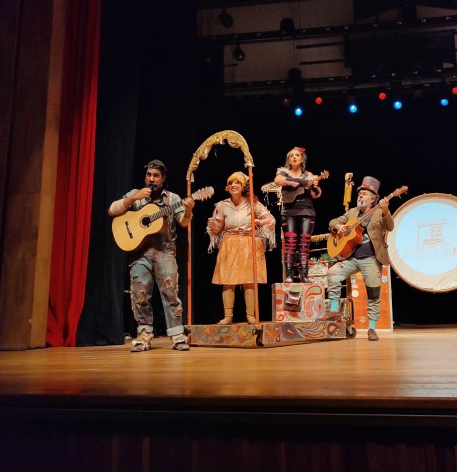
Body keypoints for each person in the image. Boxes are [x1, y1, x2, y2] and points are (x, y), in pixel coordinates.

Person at [108, 160, 194, 352]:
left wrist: (188, 208)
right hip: (140, 254)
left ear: (163, 179)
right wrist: (132, 199)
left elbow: (183, 222)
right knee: (140, 294)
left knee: (170, 293)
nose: (151, 179)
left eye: (156, 176)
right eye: (149, 175)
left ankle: (177, 335)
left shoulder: (172, 199)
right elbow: (112, 210)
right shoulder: (136, 195)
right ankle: (144, 334)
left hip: (165, 252)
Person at [323, 176, 393, 341]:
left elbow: (390, 226)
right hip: (352, 257)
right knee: (333, 273)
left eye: (365, 194)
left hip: (371, 258)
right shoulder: (352, 212)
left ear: (374, 198)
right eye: (360, 193)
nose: (361, 196)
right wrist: (337, 226)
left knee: (373, 293)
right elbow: (332, 221)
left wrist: (385, 211)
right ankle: (334, 311)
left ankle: (372, 328)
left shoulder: (378, 212)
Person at [207, 171, 276, 325]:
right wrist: (213, 226)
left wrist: (260, 221)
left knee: (249, 281)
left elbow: (270, 218)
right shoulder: (222, 205)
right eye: (231, 183)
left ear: (243, 186)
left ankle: (250, 315)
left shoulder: (253, 203)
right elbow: (218, 229)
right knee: (228, 281)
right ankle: (228, 316)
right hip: (230, 243)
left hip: (248, 242)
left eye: (237, 183)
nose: (233, 185)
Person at [274, 147, 322, 283]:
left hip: (307, 211)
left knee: (304, 245)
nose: (294, 157)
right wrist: (302, 182)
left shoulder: (309, 174)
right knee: (290, 243)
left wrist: (314, 186)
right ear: (288, 159)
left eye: (297, 155)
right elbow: (278, 181)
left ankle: (303, 275)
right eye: (291, 156)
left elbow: (315, 195)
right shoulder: (283, 172)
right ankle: (289, 274)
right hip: (289, 212)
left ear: (302, 159)